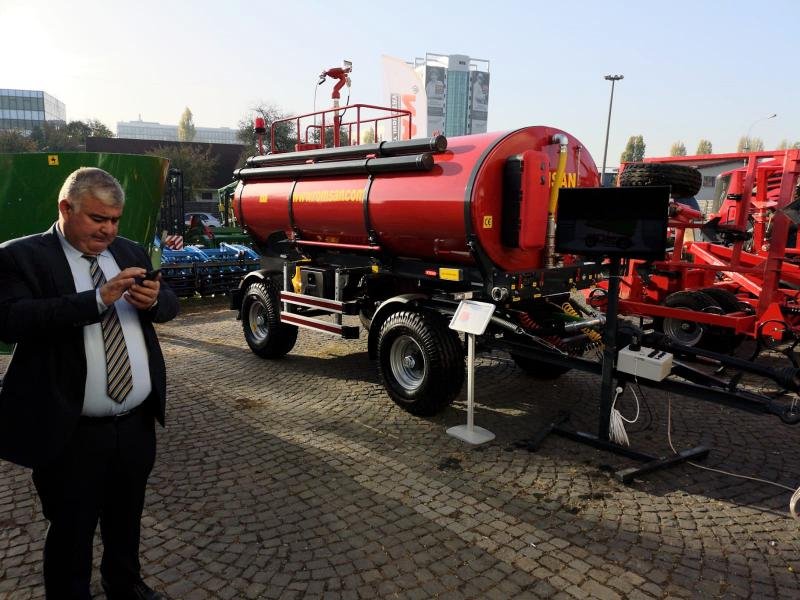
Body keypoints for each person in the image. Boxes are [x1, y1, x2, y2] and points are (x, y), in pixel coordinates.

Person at [0, 167, 179, 600]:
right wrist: (95, 300)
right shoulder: (20, 256)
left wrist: (156, 301)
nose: (109, 230)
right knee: (70, 527)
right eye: (98, 219)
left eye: (115, 219)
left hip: (135, 425)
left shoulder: (129, 250)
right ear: (66, 208)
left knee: (126, 516)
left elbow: (169, 302)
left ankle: (124, 584)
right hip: (70, 431)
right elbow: (10, 320)